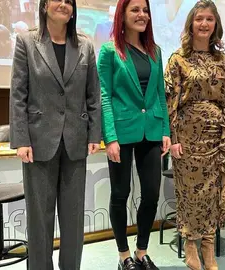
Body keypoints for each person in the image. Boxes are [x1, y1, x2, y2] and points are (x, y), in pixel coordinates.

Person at [9, 0, 102, 269]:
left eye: (68, 1)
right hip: (38, 143)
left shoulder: (84, 45)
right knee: (40, 218)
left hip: (76, 141)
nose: (63, 4)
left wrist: (94, 133)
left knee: (73, 218)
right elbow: (18, 95)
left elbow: (93, 94)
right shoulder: (26, 41)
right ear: (44, 5)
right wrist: (21, 139)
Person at [97, 0, 171, 269]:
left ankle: (141, 251)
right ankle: (123, 256)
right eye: (135, 10)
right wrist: (110, 137)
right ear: (122, 15)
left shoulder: (155, 52)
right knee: (120, 193)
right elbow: (104, 96)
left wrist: (165, 130)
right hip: (122, 131)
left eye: (145, 10)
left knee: (151, 193)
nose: (142, 15)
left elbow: (160, 94)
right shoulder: (109, 51)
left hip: (151, 130)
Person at [164, 1, 225, 270]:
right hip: (187, 137)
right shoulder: (177, 60)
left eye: (209, 19)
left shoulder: (223, 61)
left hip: (216, 138)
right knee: (190, 193)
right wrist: (173, 138)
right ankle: (190, 244)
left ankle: (208, 246)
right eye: (199, 19)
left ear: (216, 24)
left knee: (213, 191)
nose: (204, 24)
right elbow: (169, 100)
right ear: (191, 24)